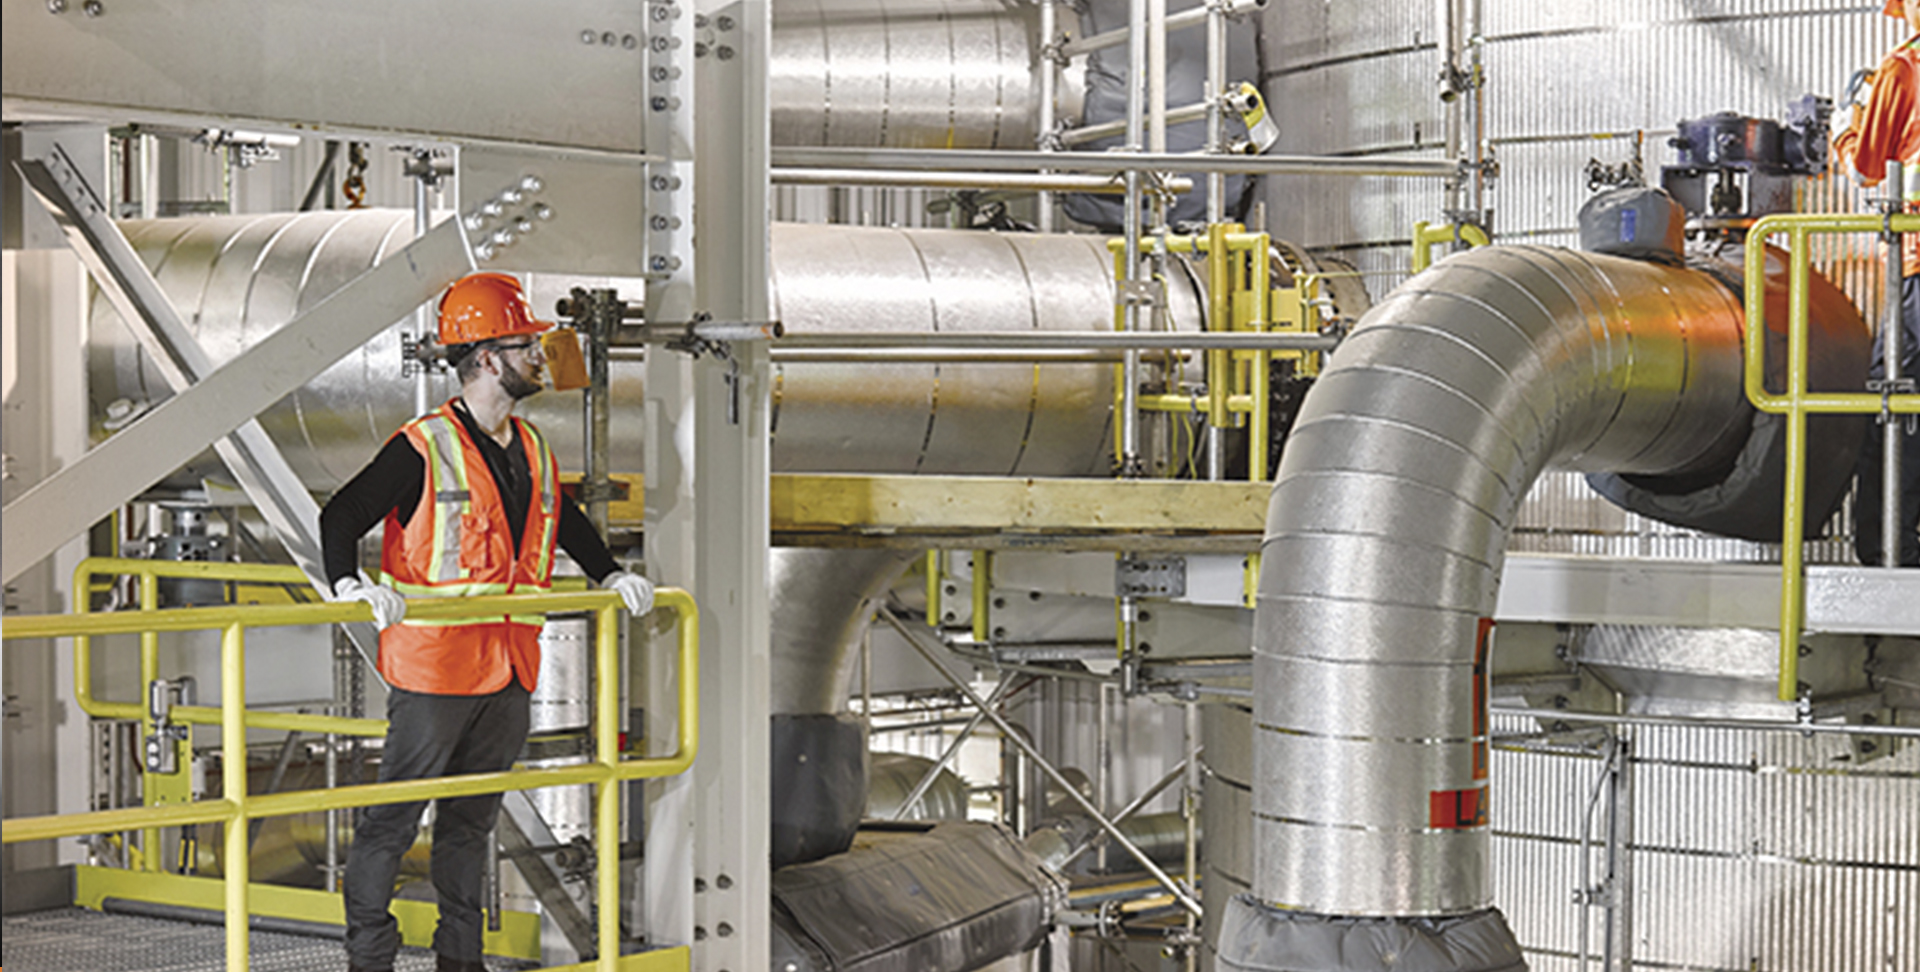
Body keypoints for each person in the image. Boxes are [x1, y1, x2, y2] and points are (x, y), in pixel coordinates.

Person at [318, 272, 655, 972]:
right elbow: (341, 514)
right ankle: (370, 959)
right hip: (436, 670)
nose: (539, 355)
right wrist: (350, 582)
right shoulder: (423, 446)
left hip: (509, 667)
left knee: (470, 826)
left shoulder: (531, 447)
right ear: (486, 357)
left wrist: (612, 573)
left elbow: (567, 524)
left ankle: (460, 962)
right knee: (393, 822)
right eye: (525, 343)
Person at [1836, 0, 1920, 566]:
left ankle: (1887, 550)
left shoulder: (1906, 69)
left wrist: (1844, 127)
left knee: (1896, 393)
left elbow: (1867, 165)